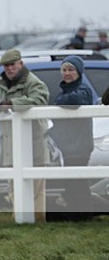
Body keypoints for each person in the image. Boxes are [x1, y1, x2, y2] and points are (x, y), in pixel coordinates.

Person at [0, 49, 50, 223]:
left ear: (20, 64)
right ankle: (20, 220)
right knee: (13, 187)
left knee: (37, 189)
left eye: (12, 65)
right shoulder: (0, 84)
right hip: (10, 145)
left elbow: (40, 99)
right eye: (6, 66)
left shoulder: (34, 82)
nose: (9, 69)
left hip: (34, 144)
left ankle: (38, 222)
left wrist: (13, 103)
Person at [48, 55, 94, 221]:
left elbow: (75, 100)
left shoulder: (83, 89)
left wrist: (59, 101)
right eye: (64, 70)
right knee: (70, 182)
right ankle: (75, 215)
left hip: (79, 145)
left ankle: (83, 215)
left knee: (79, 182)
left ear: (79, 72)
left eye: (71, 70)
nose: (67, 73)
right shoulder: (64, 91)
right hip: (66, 146)